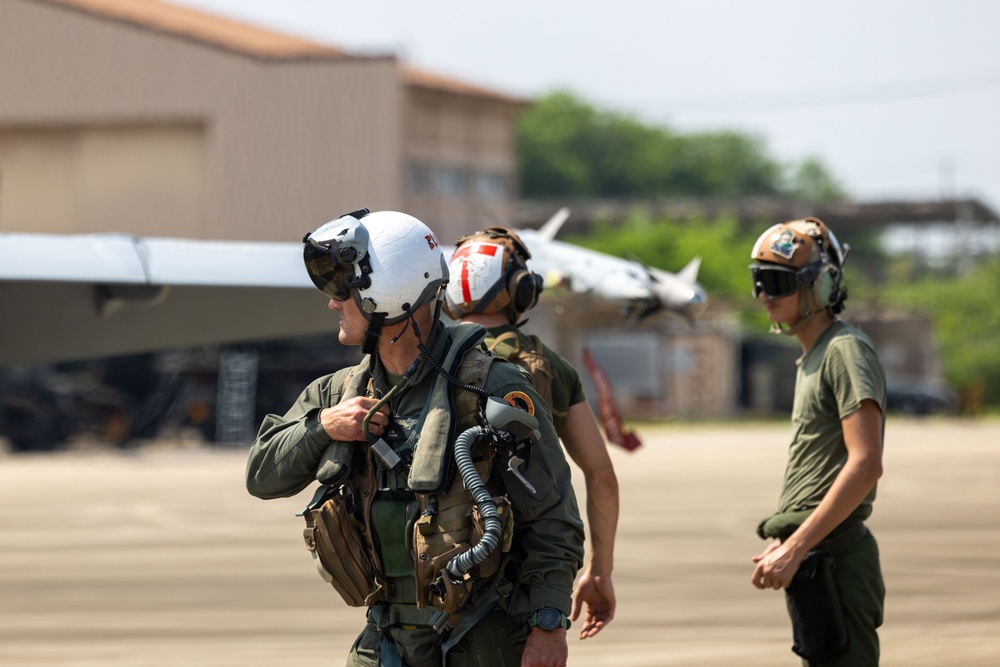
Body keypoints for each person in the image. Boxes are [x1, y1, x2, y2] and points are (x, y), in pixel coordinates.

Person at [245, 209, 584, 667]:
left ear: (388, 292)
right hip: (384, 636)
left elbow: (553, 517)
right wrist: (324, 426)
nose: (332, 303)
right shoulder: (337, 393)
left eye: (345, 289)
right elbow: (262, 475)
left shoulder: (494, 387)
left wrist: (549, 625)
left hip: (480, 636)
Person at [444, 227, 619, 640]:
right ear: (521, 290)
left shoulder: (423, 358)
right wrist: (599, 570)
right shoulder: (548, 366)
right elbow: (602, 476)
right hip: (522, 576)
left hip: (433, 569)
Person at [747, 217, 887, 666]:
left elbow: (865, 463)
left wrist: (796, 544)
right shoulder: (813, 356)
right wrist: (789, 537)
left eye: (776, 282)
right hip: (816, 558)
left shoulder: (845, 350)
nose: (764, 295)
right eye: (758, 282)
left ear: (821, 285)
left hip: (835, 559)